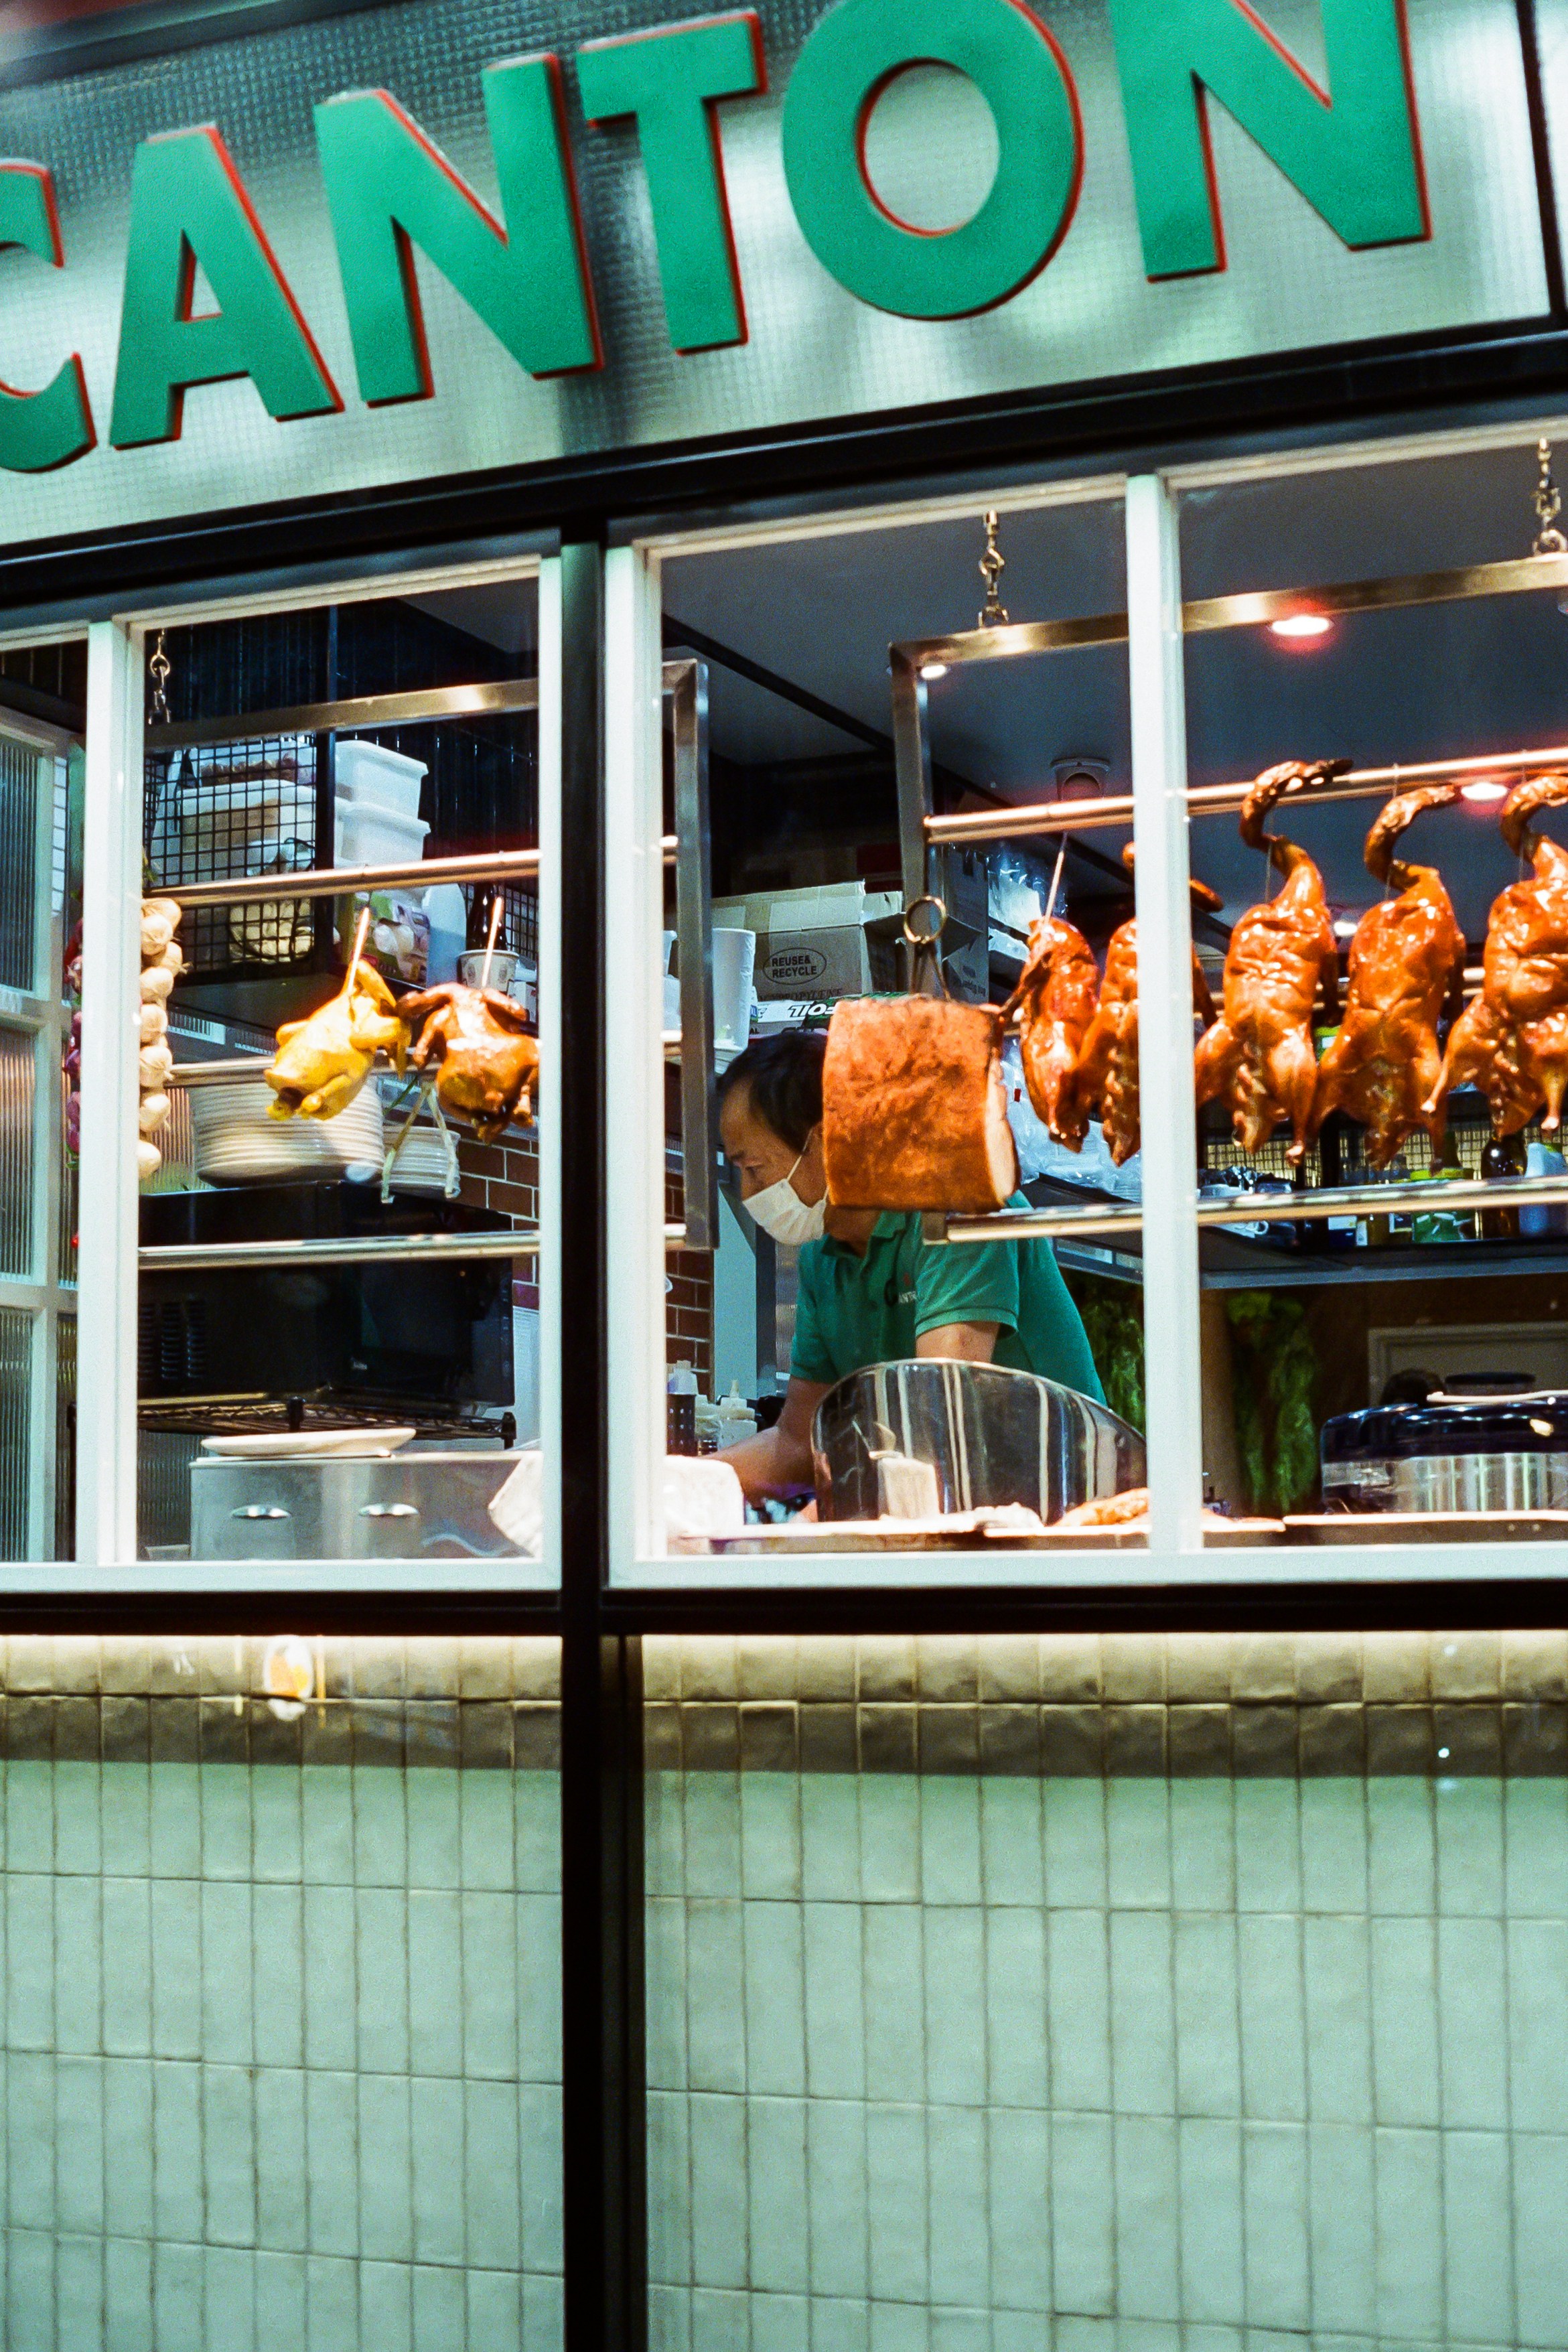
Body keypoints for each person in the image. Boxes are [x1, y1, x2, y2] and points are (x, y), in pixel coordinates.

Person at [717, 1026, 1104, 1502]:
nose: (749, 1194)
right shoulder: (823, 1258)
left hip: (1065, 1522)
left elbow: (941, 1420)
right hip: (952, 1527)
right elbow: (798, 1444)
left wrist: (819, 1526)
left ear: (821, 1143)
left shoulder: (957, 1208)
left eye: (754, 1168)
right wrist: (673, 1481)